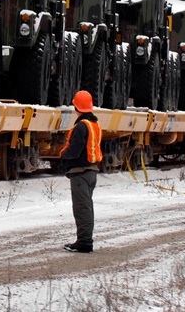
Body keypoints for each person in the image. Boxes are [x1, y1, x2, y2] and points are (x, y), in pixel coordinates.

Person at [59, 90, 103, 253]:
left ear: (76, 106)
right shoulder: (94, 124)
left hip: (80, 173)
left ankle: (84, 242)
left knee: (81, 208)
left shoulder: (81, 126)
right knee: (87, 207)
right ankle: (85, 240)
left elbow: (75, 150)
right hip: (91, 172)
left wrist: (63, 156)